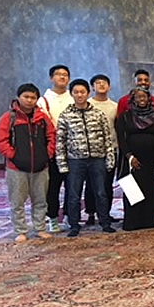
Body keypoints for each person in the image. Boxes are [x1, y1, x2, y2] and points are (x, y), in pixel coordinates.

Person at [0, 83, 56, 242]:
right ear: (18, 97)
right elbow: (0, 141)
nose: (29, 100)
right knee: (17, 201)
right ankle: (21, 230)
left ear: (37, 99)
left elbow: (52, 137)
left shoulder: (43, 118)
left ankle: (40, 228)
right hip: (16, 168)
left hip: (40, 167)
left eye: (33, 97)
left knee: (41, 200)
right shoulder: (9, 118)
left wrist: (47, 154)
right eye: (26, 97)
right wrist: (13, 156)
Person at [56, 79, 117, 237]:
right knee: (74, 194)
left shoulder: (98, 114)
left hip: (98, 158)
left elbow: (107, 138)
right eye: (76, 92)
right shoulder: (66, 116)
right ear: (72, 94)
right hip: (75, 160)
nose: (79, 95)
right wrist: (62, 164)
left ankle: (105, 222)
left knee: (101, 192)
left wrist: (109, 159)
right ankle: (74, 225)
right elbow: (60, 141)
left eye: (82, 92)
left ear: (88, 93)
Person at [116, 87, 154, 231]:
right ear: (133, 99)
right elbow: (121, 139)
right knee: (133, 190)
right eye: (138, 97)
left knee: (150, 190)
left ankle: (149, 221)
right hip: (132, 160)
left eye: (144, 97)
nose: (142, 100)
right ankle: (134, 221)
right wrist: (129, 155)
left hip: (152, 161)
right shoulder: (125, 117)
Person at [38, 65, 73, 233]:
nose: (62, 77)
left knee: (72, 185)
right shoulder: (43, 100)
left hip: (73, 149)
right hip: (53, 150)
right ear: (51, 78)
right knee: (53, 186)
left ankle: (69, 216)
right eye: (58, 75)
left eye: (65, 75)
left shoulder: (74, 97)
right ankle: (52, 218)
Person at [87, 74, 119, 225]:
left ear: (109, 86)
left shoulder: (115, 106)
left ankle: (105, 212)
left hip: (111, 149)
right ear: (92, 87)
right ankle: (91, 213)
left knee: (107, 184)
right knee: (91, 184)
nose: (101, 85)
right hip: (91, 151)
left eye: (104, 83)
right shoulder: (88, 105)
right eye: (97, 83)